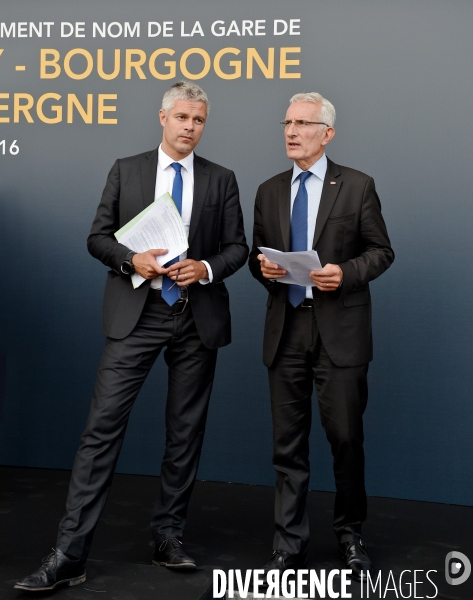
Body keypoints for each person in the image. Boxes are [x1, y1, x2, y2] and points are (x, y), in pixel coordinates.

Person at [15, 81, 248, 592]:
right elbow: (98, 237)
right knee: (100, 433)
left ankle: (168, 538)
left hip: (196, 317)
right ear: (162, 118)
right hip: (136, 315)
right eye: (182, 117)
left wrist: (206, 268)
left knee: (184, 436)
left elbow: (237, 248)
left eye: (199, 120)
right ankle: (69, 554)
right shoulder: (128, 169)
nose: (190, 127)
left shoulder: (221, 179)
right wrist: (131, 259)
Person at [248, 92, 394, 581]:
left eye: (302, 124)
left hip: (340, 331)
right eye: (287, 122)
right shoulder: (268, 189)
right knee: (287, 445)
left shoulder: (356, 186)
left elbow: (381, 251)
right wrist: (264, 268)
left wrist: (346, 273)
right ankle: (289, 545)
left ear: (326, 133)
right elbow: (255, 257)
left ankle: (351, 534)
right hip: (286, 329)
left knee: (346, 439)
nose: (291, 131)